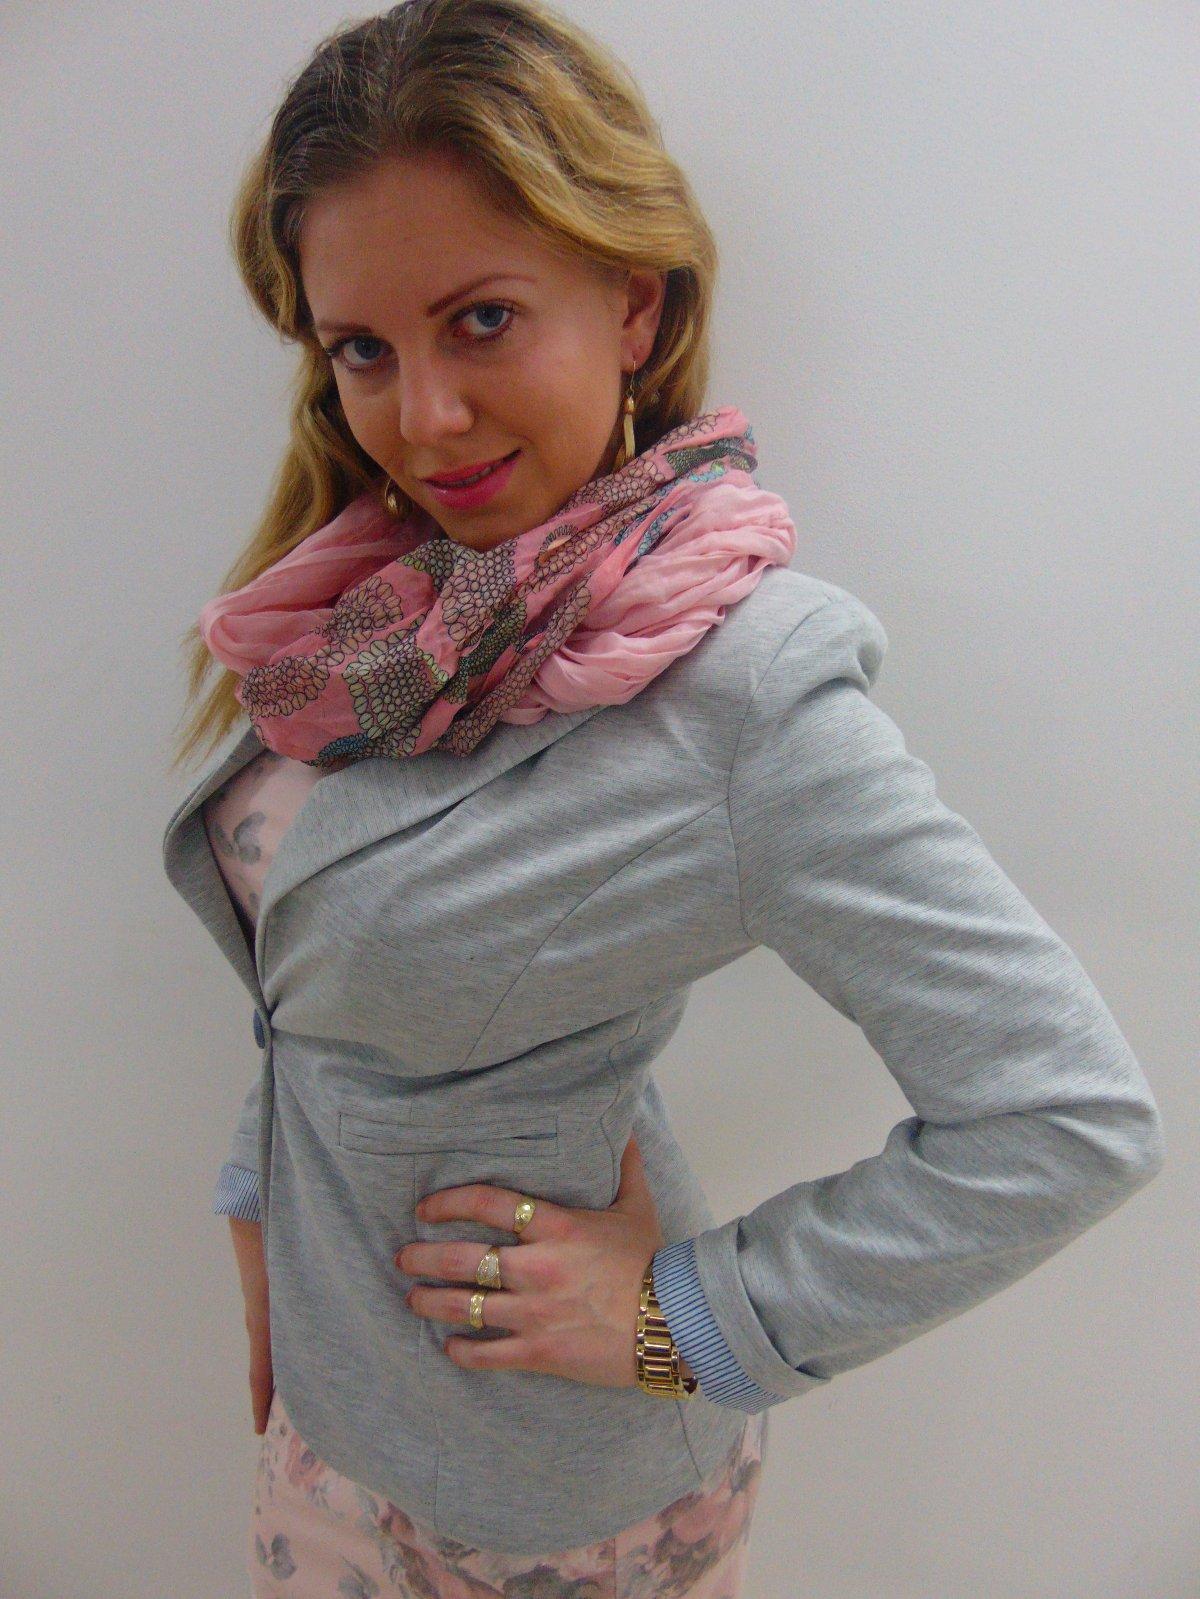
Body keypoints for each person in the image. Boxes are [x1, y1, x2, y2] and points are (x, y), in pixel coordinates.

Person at [161, 3, 1166, 1595]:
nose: (424, 416)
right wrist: (258, 1210)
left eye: (482, 320)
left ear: (634, 302)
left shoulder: (742, 692)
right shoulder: (380, 618)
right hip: (333, 1429)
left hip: (555, 1497)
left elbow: (1067, 1117)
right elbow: (319, 971)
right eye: (364, 349)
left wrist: (680, 1317)